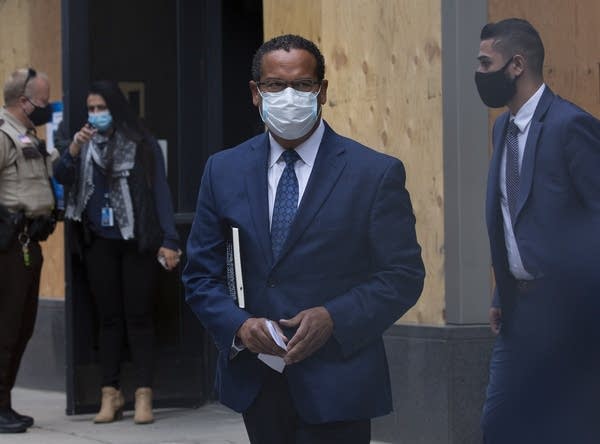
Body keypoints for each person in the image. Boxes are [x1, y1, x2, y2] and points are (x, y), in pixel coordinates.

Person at [183, 34, 425, 444]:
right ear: (256, 94)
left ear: (323, 91)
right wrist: (239, 327)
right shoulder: (222, 170)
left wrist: (335, 317)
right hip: (257, 383)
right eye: (276, 85)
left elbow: (402, 275)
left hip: (339, 382)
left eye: (303, 84)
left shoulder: (374, 173)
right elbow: (200, 276)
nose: (289, 95)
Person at [475, 18, 600, 443]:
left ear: (517, 64)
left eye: (485, 63)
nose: (480, 74)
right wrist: (501, 290)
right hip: (519, 313)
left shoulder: (570, 126)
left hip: (571, 311)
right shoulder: (501, 128)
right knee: (500, 424)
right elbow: (513, 216)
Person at [53, 80, 180, 425]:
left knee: (138, 318)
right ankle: (110, 393)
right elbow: (61, 176)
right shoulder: (83, 146)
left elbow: (161, 195)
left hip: (137, 242)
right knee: (108, 320)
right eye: (91, 109)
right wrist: (75, 149)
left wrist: (170, 239)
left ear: (115, 108)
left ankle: (143, 393)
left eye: (101, 108)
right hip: (99, 243)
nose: (96, 115)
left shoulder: (142, 144)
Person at [0, 68, 57, 434]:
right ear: (24, 101)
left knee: (21, 328)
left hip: (28, 243)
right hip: (8, 246)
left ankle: (4, 403)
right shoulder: (3, 135)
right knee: (5, 329)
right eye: (43, 102)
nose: (47, 108)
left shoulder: (27, 135)